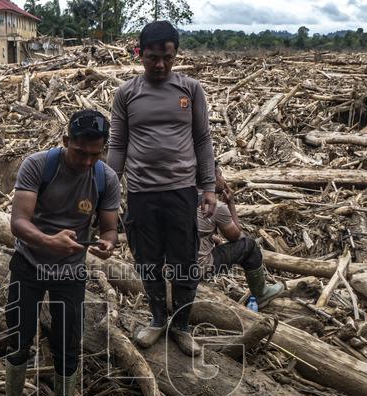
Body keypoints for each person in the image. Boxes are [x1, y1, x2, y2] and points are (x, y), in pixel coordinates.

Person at [0, 110, 121, 396]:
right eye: (80, 152)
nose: (86, 161)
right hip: (29, 263)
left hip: (70, 272)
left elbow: (110, 228)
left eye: (95, 154)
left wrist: (108, 244)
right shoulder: (39, 165)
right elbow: (18, 223)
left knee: (68, 342)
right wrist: (48, 240)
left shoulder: (105, 178)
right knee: (19, 335)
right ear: (66, 141)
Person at [108, 20, 216, 355]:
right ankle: (157, 320)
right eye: (152, 57)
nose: (160, 65)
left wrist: (208, 185)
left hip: (182, 191)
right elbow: (118, 145)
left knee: (184, 261)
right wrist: (108, 194)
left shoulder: (190, 89)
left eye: (167, 58)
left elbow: (202, 139)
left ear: (175, 54)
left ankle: (181, 326)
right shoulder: (126, 94)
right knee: (148, 261)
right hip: (141, 193)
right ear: (140, 53)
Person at [199, 164, 284, 306]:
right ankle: (261, 294)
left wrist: (212, 237)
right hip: (197, 268)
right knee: (250, 245)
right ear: (211, 178)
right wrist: (230, 203)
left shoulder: (186, 199)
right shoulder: (217, 207)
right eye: (220, 174)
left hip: (174, 266)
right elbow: (238, 237)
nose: (223, 179)